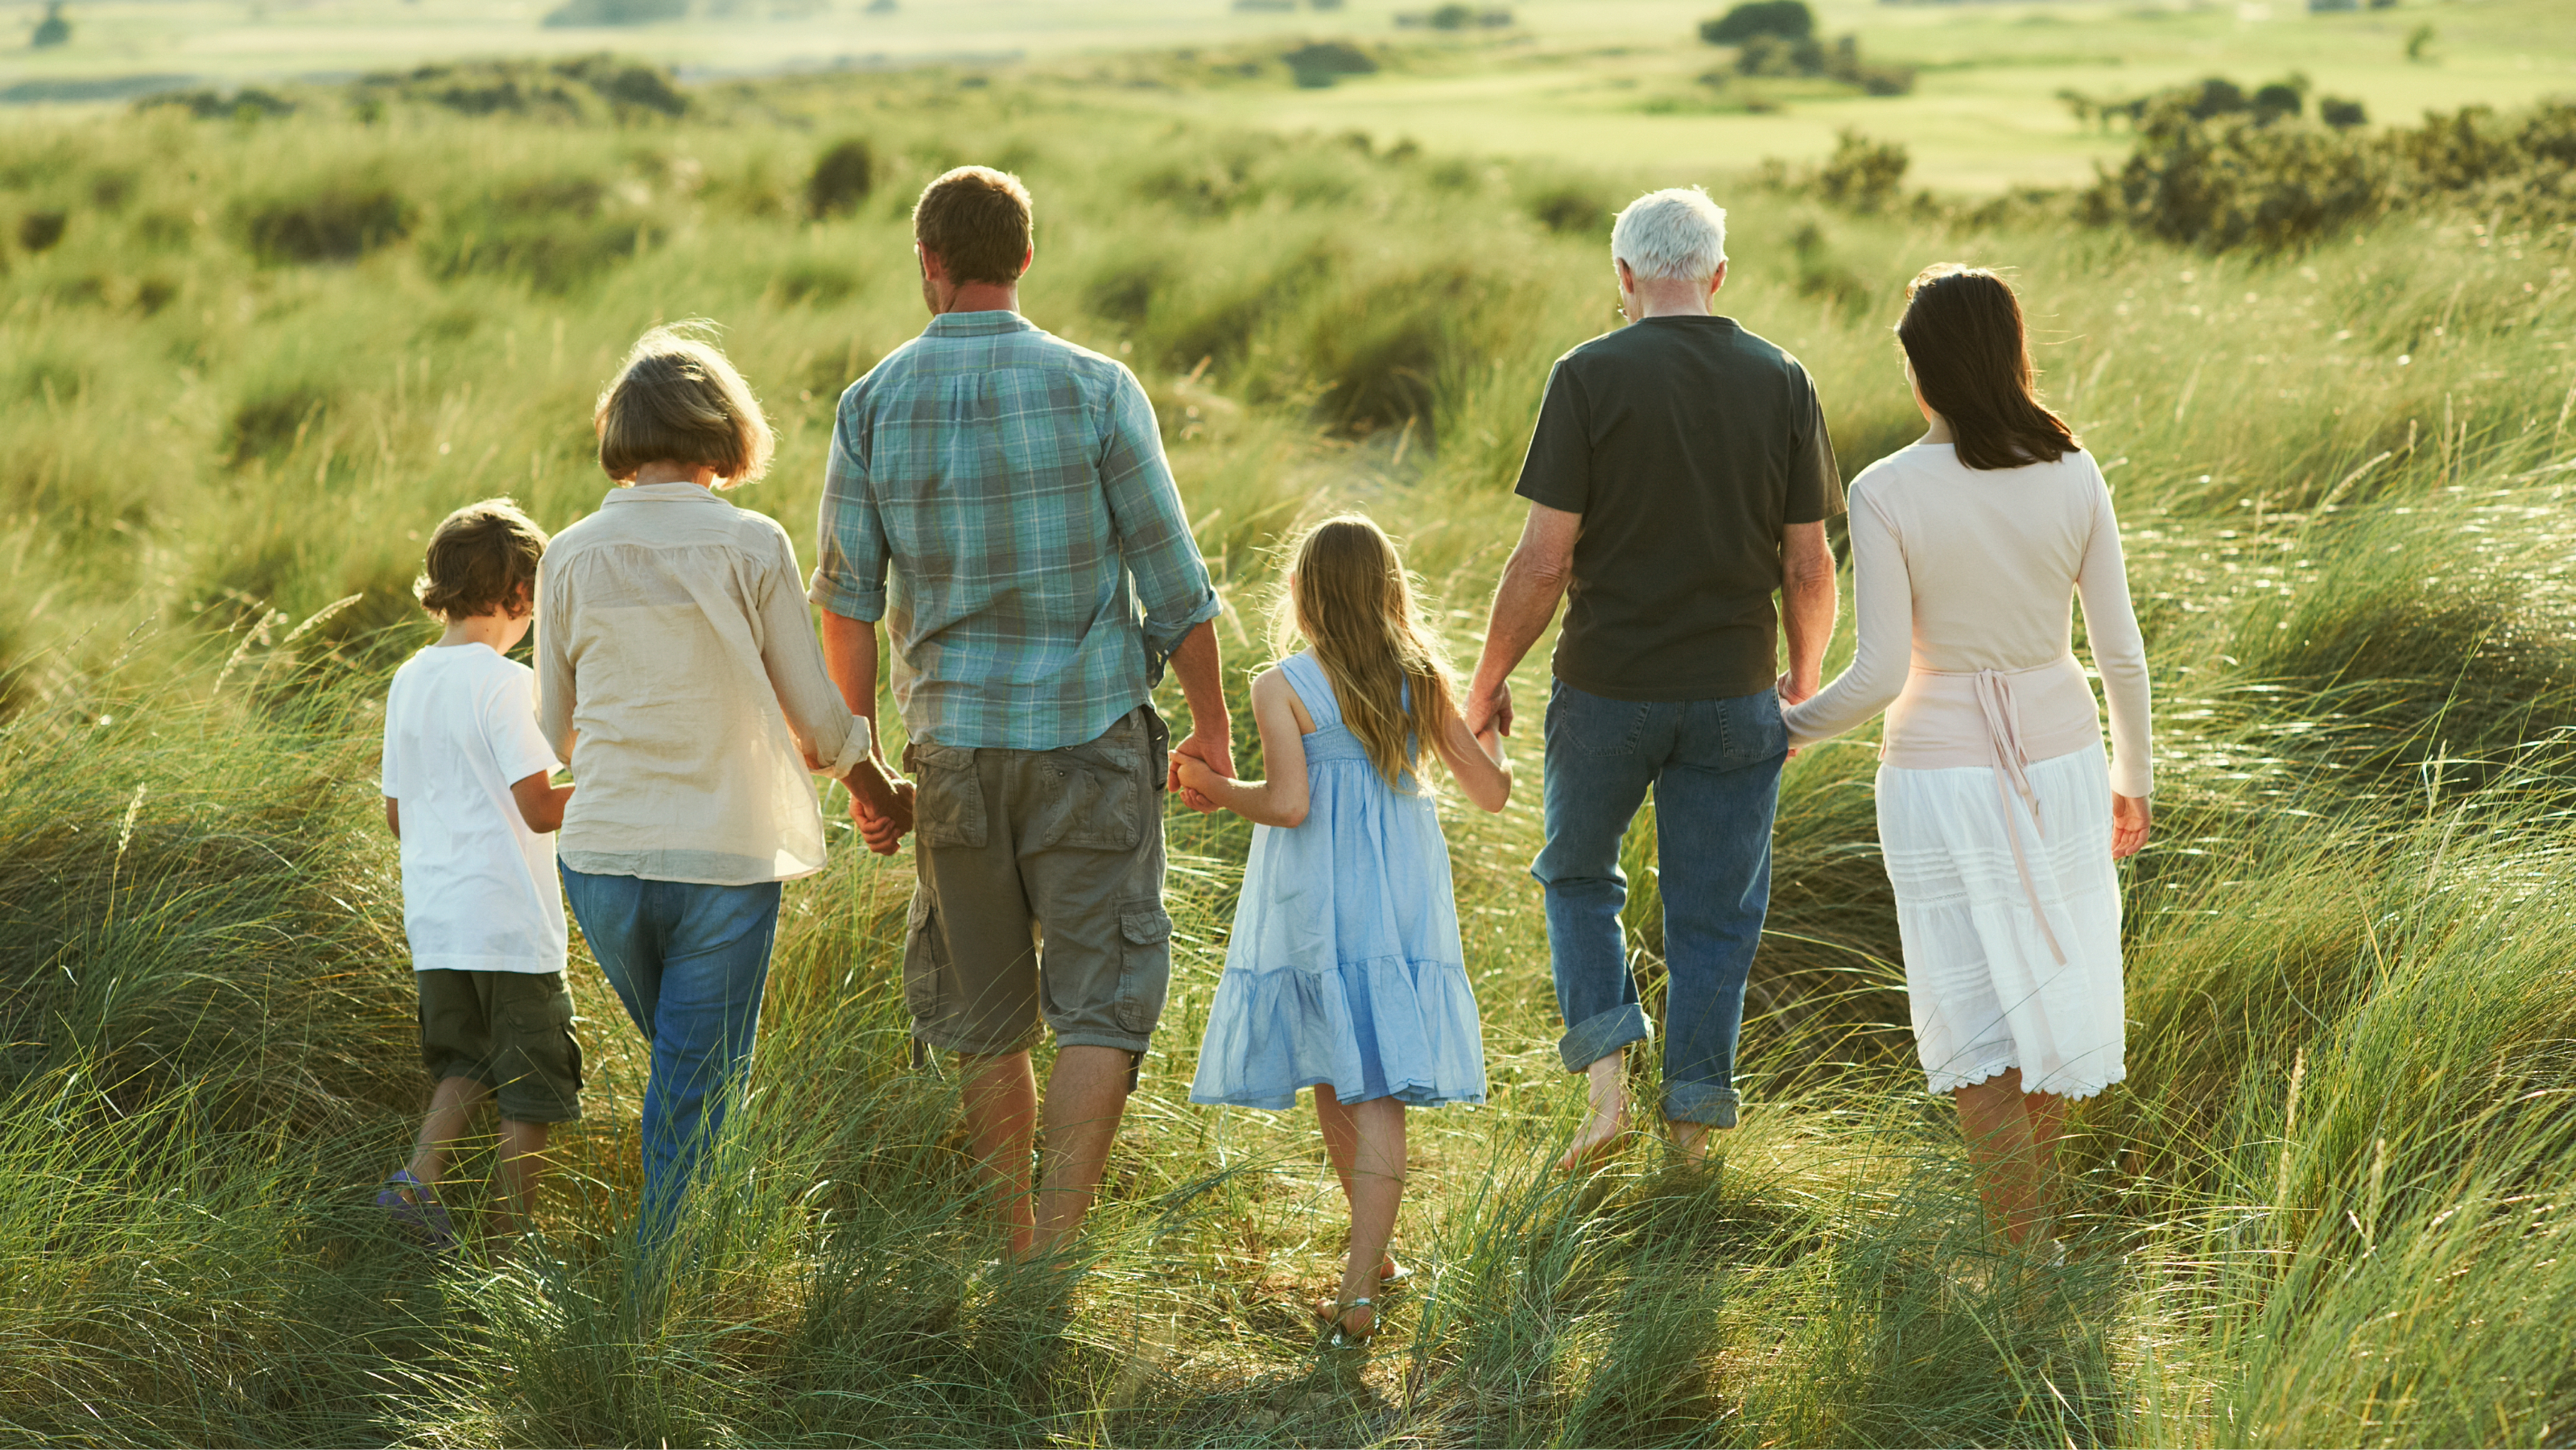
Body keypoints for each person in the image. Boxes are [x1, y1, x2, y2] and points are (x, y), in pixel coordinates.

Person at [810, 166, 1228, 1262]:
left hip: (954, 755)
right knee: (1100, 1003)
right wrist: (1213, 726)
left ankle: (1011, 1241)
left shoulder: (870, 405)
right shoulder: (1099, 388)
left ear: (928, 264)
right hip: (1091, 741)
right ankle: (1059, 1238)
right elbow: (1175, 585)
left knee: (985, 1013)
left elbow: (845, 612)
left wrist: (865, 772)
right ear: (1027, 259)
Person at [1464, 186, 1843, 1171]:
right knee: (1714, 915)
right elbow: (1809, 565)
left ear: (1623, 278)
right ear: (1716, 275)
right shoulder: (1782, 378)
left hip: (1604, 689)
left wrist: (1487, 677)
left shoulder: (1586, 374)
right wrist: (1801, 683)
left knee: (1578, 874)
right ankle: (1689, 1141)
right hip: (1734, 691)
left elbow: (1542, 559)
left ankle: (1605, 1096)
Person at [1782, 265, 2151, 1252]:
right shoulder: (2071, 469)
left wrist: (1786, 730)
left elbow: (1879, 671)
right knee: (2049, 986)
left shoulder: (1884, 489)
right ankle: (2035, 1247)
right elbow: (2117, 647)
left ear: (1921, 371)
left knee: (1974, 1010)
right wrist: (2133, 775)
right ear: (2010, 353)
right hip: (2065, 759)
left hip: (1936, 778)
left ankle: (2019, 1249)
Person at [539, 325, 911, 1241]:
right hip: (720, 856)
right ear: (724, 430)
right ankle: (664, 1300)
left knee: (683, 1072)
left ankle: (689, 1266)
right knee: (696, 1087)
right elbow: (817, 720)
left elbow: (550, 729)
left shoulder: (569, 554)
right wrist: (879, 789)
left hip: (601, 860)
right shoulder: (751, 544)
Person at [1184, 514, 1511, 1348]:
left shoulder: (1281, 683)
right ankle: (1380, 1261)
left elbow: (1288, 804)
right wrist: (1492, 738)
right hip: (1397, 893)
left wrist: (1208, 785)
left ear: (1299, 593)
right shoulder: (1420, 677)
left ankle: (1358, 1293)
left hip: (1323, 893)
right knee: (1345, 1074)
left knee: (1360, 1080)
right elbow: (1493, 794)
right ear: (1388, 589)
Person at [376, 498, 580, 1254]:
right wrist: (613, 782)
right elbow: (539, 808)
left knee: (465, 1059)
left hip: (436, 921)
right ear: (521, 596)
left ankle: (419, 1181)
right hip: (510, 924)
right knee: (534, 1083)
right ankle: (509, 1247)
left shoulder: (409, 678)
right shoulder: (504, 683)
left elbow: (398, 814)